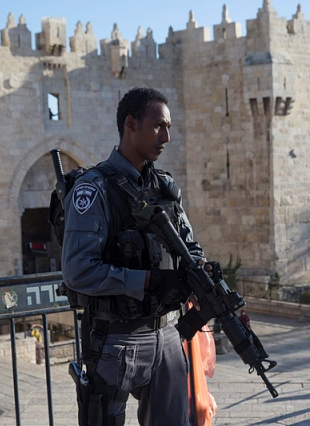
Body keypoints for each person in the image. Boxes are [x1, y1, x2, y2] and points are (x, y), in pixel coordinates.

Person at [61, 87, 205, 426]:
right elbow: (78, 270)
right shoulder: (94, 189)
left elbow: (189, 245)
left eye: (168, 127)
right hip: (119, 339)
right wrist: (147, 281)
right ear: (130, 124)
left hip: (169, 336)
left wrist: (199, 269)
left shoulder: (165, 187)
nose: (167, 137)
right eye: (158, 126)